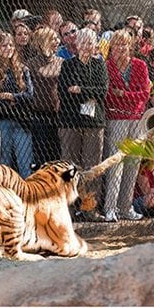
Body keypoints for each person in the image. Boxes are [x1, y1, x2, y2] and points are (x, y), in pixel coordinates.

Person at [58, 27, 109, 218]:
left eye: (90, 42)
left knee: (92, 166)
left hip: (94, 122)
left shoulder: (99, 65)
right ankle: (69, 208)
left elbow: (102, 91)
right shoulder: (67, 65)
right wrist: (89, 92)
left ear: (95, 44)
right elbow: (64, 92)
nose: (86, 46)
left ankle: (90, 208)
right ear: (76, 44)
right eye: (83, 42)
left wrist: (80, 90)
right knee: (70, 165)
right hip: (70, 120)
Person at [103, 28, 151, 222]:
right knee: (116, 164)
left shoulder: (140, 65)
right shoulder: (107, 67)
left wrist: (124, 95)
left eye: (124, 44)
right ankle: (110, 208)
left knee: (132, 164)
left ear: (130, 46)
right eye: (117, 44)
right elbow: (108, 96)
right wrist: (131, 97)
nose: (121, 48)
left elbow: (145, 94)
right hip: (116, 119)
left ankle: (126, 207)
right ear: (111, 47)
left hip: (137, 119)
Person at [0, 31, 34, 178]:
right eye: (4, 45)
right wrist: (16, 100)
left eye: (11, 45)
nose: (9, 48)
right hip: (1, 122)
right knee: (3, 165)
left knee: (25, 164)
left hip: (21, 121)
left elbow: (30, 96)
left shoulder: (23, 70)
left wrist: (11, 96)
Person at [29, 26, 62, 165]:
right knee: (40, 153)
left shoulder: (61, 62)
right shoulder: (31, 64)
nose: (58, 41)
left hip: (57, 114)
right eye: (53, 39)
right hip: (39, 114)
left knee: (56, 152)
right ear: (44, 41)